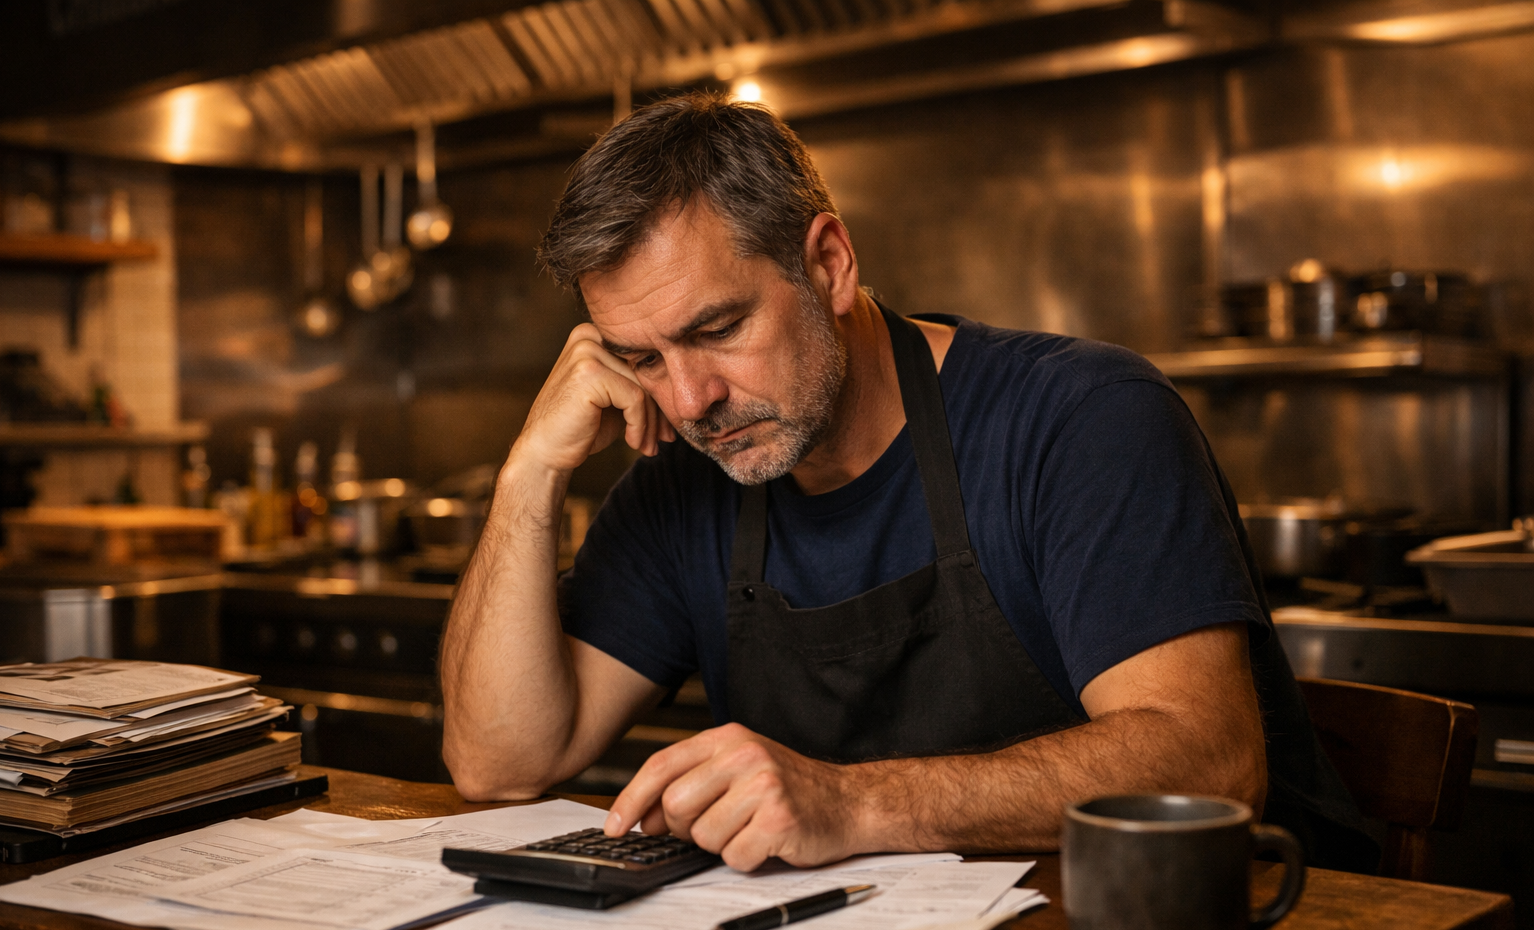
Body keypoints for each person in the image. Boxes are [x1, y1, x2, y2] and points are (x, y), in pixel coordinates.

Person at [440, 93, 1373, 873]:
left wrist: (851, 804)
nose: (691, 401)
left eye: (718, 330)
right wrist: (530, 471)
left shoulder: (1081, 417)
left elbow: (1206, 765)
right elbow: (497, 764)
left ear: (829, 264)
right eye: (643, 358)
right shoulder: (684, 482)